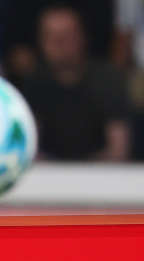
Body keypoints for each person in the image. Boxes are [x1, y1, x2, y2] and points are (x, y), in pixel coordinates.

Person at [16, 5, 131, 161]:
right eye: (52, 37)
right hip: (48, 178)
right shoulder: (34, 83)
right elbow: (28, 150)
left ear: (83, 37)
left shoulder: (107, 80)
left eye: (67, 35)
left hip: (101, 177)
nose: (60, 43)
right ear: (40, 42)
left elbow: (118, 150)